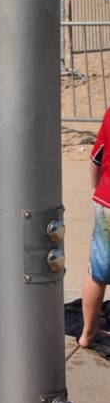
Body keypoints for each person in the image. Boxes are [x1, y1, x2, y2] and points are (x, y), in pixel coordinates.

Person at [79, 106, 110, 348]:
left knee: (98, 270)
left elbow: (96, 157)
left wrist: (94, 188)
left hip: (106, 198)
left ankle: (88, 332)